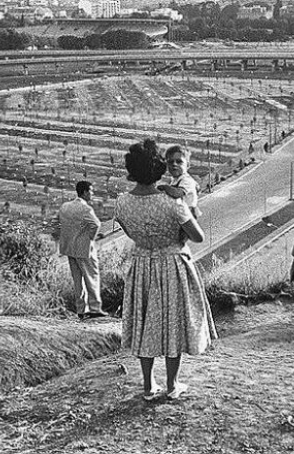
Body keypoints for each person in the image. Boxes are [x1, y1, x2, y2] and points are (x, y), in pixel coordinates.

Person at [114, 139, 217, 401]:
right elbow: (198, 237)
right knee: (173, 323)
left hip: (141, 265)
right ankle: (172, 385)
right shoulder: (172, 202)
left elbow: (129, 232)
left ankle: (148, 385)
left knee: (144, 323)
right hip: (171, 264)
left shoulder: (122, 202)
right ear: (159, 169)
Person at [57, 180, 106, 320]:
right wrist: (89, 238)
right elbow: (96, 225)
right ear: (84, 192)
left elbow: (59, 222)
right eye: (91, 191)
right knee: (92, 277)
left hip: (69, 248)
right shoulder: (86, 209)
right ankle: (95, 309)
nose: (92, 194)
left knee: (77, 280)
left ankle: (81, 310)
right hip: (84, 248)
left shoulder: (65, 206)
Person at [158, 145, 202, 218]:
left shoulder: (187, 180)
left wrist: (165, 187)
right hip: (181, 212)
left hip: (188, 214)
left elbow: (178, 193)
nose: (174, 164)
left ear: (187, 165)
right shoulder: (175, 179)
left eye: (179, 162)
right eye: (170, 162)